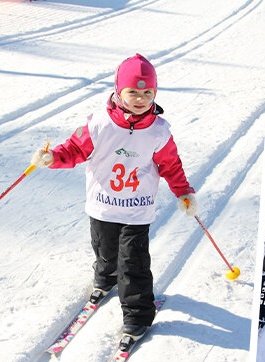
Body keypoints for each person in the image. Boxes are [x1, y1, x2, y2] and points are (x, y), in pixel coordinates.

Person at [30, 53, 196, 345]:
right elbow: (73, 149)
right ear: (119, 92)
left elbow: (171, 165)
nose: (141, 99)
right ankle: (106, 278)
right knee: (104, 250)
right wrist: (53, 157)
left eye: (148, 93)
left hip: (137, 209)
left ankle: (137, 316)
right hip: (103, 206)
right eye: (133, 92)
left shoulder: (158, 131)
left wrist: (183, 192)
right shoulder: (99, 124)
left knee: (133, 264)